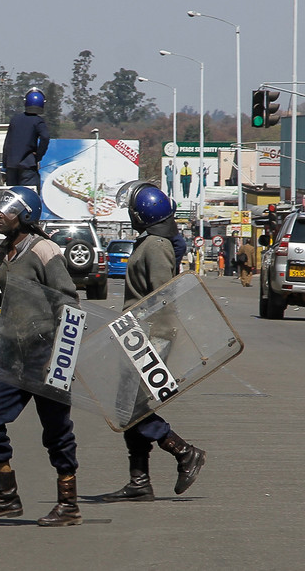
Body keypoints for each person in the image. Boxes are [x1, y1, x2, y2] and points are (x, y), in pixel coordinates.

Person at [0, 186, 83, 526]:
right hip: (13, 356)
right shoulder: (3, 251)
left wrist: (61, 357)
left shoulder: (45, 249)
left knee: (56, 431)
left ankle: (68, 504)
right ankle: (6, 496)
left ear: (27, 216)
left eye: (7, 212)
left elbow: (68, 302)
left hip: (45, 354)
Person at [98, 185, 206, 502]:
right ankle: (139, 481)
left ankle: (183, 451)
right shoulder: (149, 241)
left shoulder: (156, 246)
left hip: (150, 336)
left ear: (140, 215)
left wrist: (158, 343)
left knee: (133, 409)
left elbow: (163, 297)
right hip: (137, 332)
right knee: (130, 407)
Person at [2, 88, 51, 189]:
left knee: (13, 195)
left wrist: (5, 165)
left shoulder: (15, 119)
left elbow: (7, 144)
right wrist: (38, 156)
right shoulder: (38, 121)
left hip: (11, 166)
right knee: (29, 195)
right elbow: (45, 137)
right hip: (27, 166)